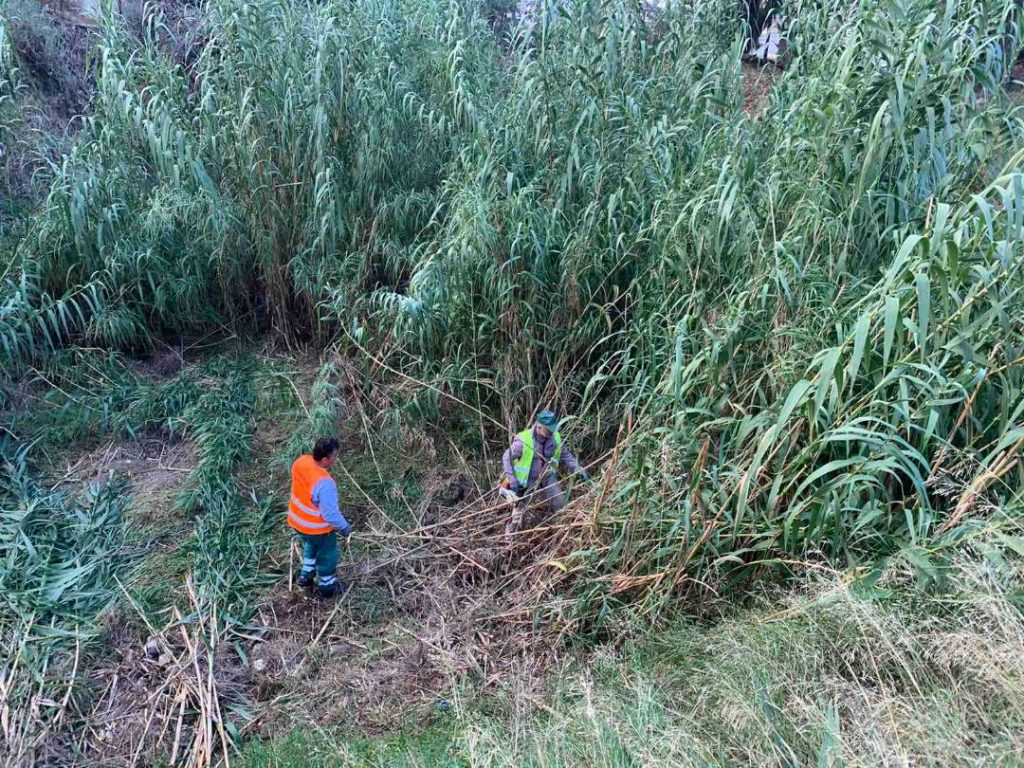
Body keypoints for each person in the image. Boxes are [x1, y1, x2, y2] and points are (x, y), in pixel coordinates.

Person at [501, 410, 590, 535]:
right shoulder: (524, 441)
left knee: (561, 505)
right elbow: (506, 457)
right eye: (549, 430)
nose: (552, 433)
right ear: (539, 427)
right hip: (525, 482)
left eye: (553, 430)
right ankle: (510, 538)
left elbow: (566, 455)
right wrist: (514, 482)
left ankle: (561, 532)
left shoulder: (555, 438)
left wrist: (579, 470)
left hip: (546, 477)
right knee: (518, 516)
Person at [288, 437, 352, 597]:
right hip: (316, 528)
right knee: (327, 555)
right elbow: (330, 514)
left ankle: (306, 573)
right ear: (325, 459)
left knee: (310, 543)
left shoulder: (301, 461)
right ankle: (327, 586)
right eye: (334, 455)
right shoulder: (325, 483)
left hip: (297, 521)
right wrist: (344, 527)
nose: (336, 458)